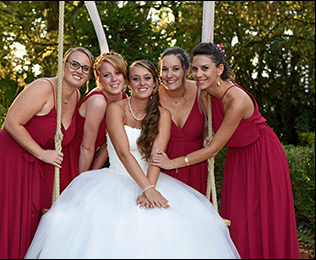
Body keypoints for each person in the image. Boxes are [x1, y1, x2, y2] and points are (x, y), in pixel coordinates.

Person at [24, 60, 240, 259]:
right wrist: (146, 189)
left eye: (147, 78)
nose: (141, 83)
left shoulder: (163, 115)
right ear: (129, 83)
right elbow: (123, 153)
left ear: (155, 84)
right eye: (135, 78)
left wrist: (151, 187)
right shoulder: (115, 109)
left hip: (151, 178)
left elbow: (157, 156)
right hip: (117, 178)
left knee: (174, 224)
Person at [150, 42, 300, 259]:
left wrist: (171, 163)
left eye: (205, 68)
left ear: (219, 69)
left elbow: (212, 150)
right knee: (238, 218)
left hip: (262, 155)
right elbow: (211, 131)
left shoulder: (236, 99)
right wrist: (209, 136)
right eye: (195, 68)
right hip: (237, 156)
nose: (199, 74)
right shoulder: (205, 94)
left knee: (264, 217)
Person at [0, 47, 95, 259]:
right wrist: (42, 154)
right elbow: (12, 123)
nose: (79, 70)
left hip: (33, 167)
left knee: (26, 225)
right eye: (74, 64)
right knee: (3, 222)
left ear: (89, 75)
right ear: (64, 64)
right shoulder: (43, 88)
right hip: (8, 160)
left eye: (85, 68)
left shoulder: (77, 95)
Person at [64, 51, 128, 183]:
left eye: (117, 73)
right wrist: (81, 182)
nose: (114, 79)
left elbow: (107, 145)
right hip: (71, 158)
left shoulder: (124, 99)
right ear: (99, 80)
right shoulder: (98, 102)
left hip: (89, 158)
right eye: (106, 75)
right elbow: (86, 148)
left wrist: (92, 175)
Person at [157, 46, 208, 195]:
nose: (169, 75)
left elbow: (209, 127)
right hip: (163, 169)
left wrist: (208, 138)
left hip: (196, 167)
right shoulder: (152, 96)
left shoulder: (202, 93)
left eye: (175, 69)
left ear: (186, 70)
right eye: (164, 69)